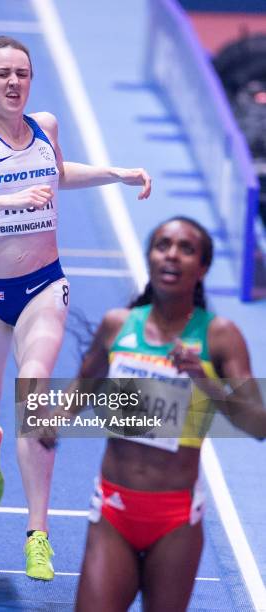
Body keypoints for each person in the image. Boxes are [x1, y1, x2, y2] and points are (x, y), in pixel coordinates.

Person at [0, 35, 151, 581]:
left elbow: (58, 175)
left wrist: (115, 174)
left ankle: (38, 534)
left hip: (44, 286)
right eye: (2, 74)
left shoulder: (45, 126)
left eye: (21, 73)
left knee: (34, 396)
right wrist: (4, 198)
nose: (13, 83)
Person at [53, 216, 266, 610]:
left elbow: (258, 424)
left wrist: (208, 383)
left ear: (202, 268)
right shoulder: (118, 326)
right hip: (114, 509)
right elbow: (82, 386)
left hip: (175, 520)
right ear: (149, 257)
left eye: (186, 249)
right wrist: (48, 423)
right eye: (163, 244)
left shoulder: (220, 336)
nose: (172, 254)